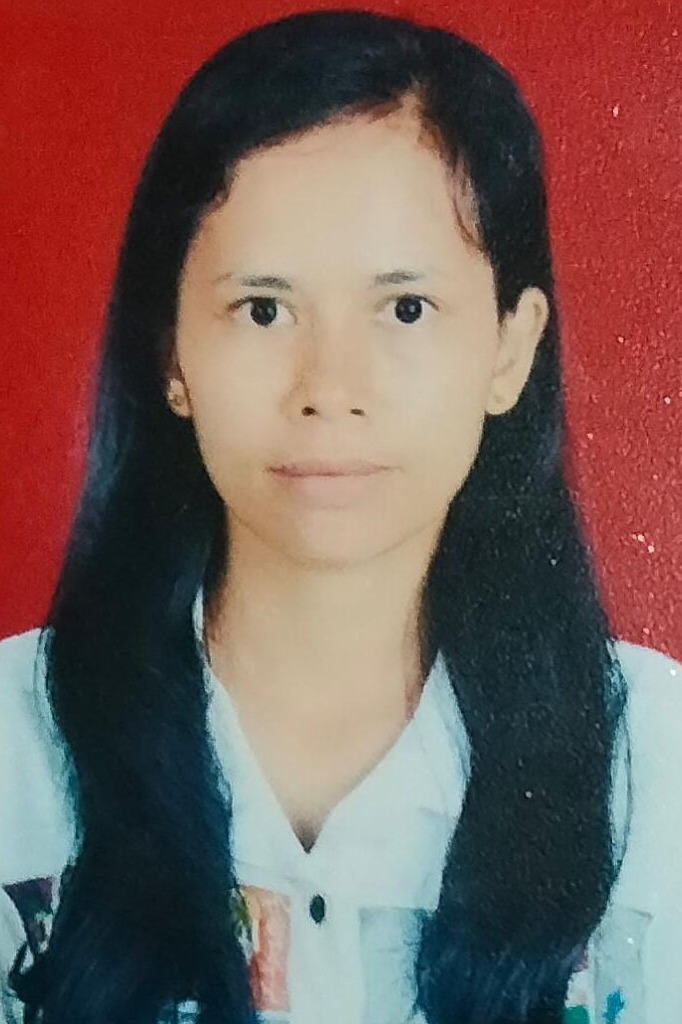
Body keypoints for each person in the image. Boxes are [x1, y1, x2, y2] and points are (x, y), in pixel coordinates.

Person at [0, 8, 680, 1024]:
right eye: (263, 309)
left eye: (405, 308)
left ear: (509, 348)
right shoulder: (11, 748)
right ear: (171, 356)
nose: (329, 388)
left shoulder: (658, 766)